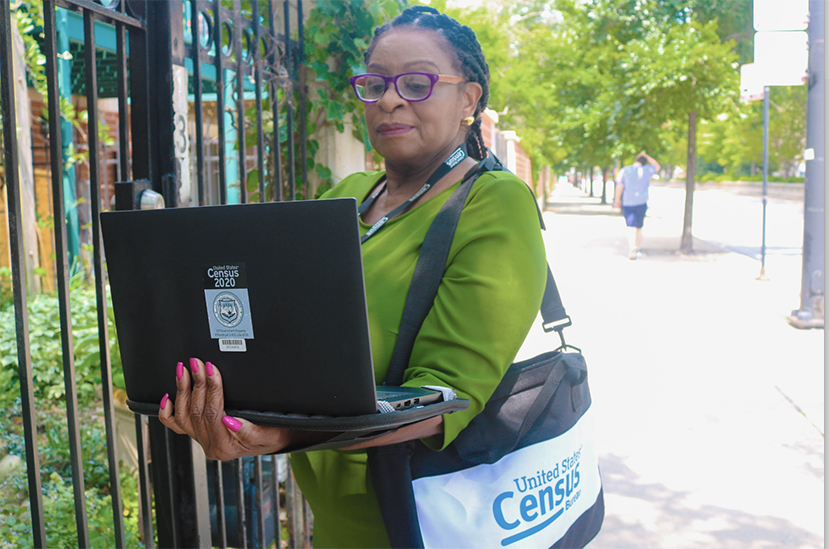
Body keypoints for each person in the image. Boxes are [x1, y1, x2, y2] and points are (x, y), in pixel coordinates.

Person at [158, 6, 547, 547]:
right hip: (333, 523)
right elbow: (290, 337)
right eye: (375, 84)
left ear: (468, 100)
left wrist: (284, 435)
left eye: (417, 82)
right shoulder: (347, 194)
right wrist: (221, 395)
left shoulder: (495, 203)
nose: (390, 99)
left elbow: (447, 396)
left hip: (415, 521)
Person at [614, 151, 660, 259]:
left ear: (635, 160)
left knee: (630, 226)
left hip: (628, 202)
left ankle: (632, 247)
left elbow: (619, 186)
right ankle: (638, 248)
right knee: (639, 227)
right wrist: (647, 156)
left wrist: (617, 200)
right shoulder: (647, 170)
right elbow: (657, 166)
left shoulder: (625, 170)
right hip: (642, 202)